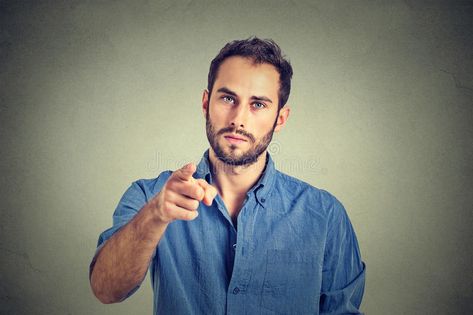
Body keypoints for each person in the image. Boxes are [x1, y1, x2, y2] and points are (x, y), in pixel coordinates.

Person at [89, 37, 366, 314]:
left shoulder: (326, 215)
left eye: (258, 104)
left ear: (280, 119)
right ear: (206, 102)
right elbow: (105, 290)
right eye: (228, 98)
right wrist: (155, 215)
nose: (238, 118)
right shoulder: (149, 197)